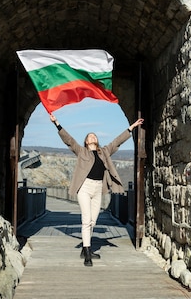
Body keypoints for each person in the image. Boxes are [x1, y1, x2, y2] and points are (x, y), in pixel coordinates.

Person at [49, 112, 144, 267]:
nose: (93, 137)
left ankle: (85, 247)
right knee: (86, 220)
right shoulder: (81, 151)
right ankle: (87, 253)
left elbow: (117, 142)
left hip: (98, 188)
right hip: (84, 187)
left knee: (92, 221)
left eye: (94, 136)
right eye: (90, 136)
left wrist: (132, 127)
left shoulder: (104, 152)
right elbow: (68, 140)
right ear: (86, 141)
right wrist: (56, 123)